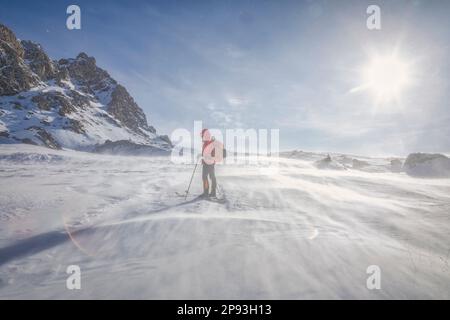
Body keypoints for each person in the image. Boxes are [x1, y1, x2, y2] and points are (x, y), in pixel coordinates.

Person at [200, 128, 218, 198]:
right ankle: (207, 192)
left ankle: (211, 192)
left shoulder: (210, 141)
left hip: (210, 162)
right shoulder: (205, 142)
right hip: (206, 162)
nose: (202, 136)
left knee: (210, 177)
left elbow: (211, 152)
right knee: (206, 177)